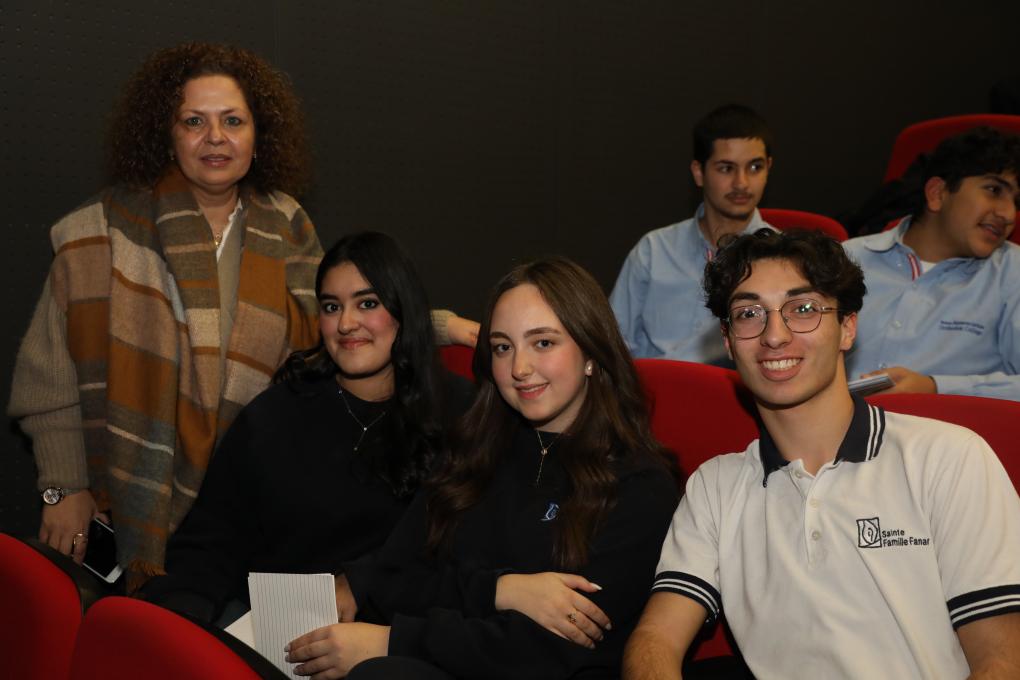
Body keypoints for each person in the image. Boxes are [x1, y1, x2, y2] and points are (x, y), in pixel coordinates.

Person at [7, 42, 478, 584]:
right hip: (122, 501)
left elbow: (338, 314)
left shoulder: (286, 225)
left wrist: (435, 325)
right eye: (194, 121)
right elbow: (48, 380)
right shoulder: (98, 231)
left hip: (247, 505)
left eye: (233, 120)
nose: (215, 137)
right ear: (165, 134)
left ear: (259, 136)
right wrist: (63, 488)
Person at [624, 229, 1020, 679]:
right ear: (729, 342)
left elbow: (1003, 661)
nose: (775, 335)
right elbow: (655, 640)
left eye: (803, 309)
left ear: (847, 327)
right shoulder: (715, 486)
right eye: (749, 314)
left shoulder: (949, 458)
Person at [285, 257, 678, 679]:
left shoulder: (640, 485)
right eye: (503, 348)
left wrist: (394, 641)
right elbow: (392, 580)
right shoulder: (472, 450)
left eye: (543, 343)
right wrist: (499, 590)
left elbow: (550, 651)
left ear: (591, 354)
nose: (519, 368)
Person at [140, 232, 473, 624]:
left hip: (395, 636)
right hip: (266, 626)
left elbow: (466, 540)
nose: (345, 323)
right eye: (332, 307)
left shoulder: (461, 413)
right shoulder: (277, 414)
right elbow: (213, 538)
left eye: (367, 303)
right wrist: (181, 618)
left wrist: (366, 579)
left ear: (404, 310)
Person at [842, 126, 1020, 401]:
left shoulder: (1012, 273)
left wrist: (935, 387)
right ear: (937, 193)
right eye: (994, 190)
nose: (1008, 214)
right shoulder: (846, 258)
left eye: (1017, 202)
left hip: (948, 425)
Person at [610, 104, 774, 365]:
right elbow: (612, 347)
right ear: (699, 172)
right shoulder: (654, 251)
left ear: (768, 169)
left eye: (754, 167)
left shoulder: (781, 259)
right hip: (656, 387)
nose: (741, 182)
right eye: (726, 168)